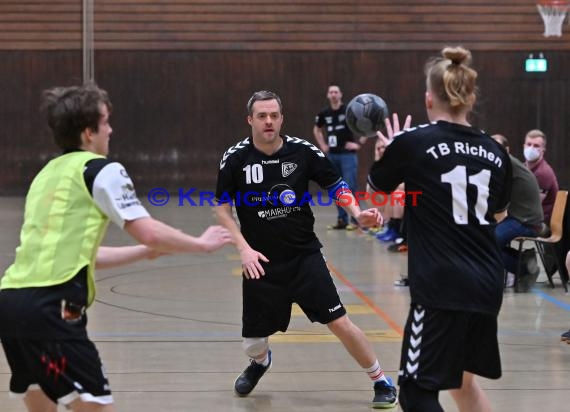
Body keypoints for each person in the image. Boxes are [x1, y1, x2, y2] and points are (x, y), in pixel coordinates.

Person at [0, 83, 233, 412]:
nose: (111, 129)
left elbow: (82, 257)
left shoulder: (45, 175)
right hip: (53, 306)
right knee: (96, 406)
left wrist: (144, 254)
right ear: (88, 132)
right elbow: (148, 231)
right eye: (106, 121)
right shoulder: (101, 170)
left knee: (42, 404)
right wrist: (200, 244)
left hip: (11, 304)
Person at [214, 90, 398, 409]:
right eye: (261, 116)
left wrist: (357, 213)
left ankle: (381, 380)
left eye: (274, 115)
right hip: (260, 263)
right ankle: (260, 363)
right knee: (252, 344)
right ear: (250, 120)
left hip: (304, 257)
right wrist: (243, 248)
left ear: (282, 118)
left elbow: (336, 185)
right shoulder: (236, 159)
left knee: (339, 321)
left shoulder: (303, 152)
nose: (268, 121)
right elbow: (221, 208)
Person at [368, 47, 512, 411]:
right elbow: (498, 213)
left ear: (429, 99)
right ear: (471, 96)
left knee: (416, 391)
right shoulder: (495, 152)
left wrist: (387, 157)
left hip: (441, 285)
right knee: (462, 383)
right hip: (487, 282)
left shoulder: (412, 142)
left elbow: (381, 203)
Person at [492, 134, 543, 291]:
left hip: (526, 221)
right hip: (522, 217)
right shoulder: (509, 163)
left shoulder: (505, 164)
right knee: (486, 238)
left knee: (487, 243)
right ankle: (524, 260)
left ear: (506, 150)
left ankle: (524, 269)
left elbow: (494, 196)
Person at [313, 85, 361, 230]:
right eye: (331, 92)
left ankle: (356, 219)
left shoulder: (349, 110)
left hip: (347, 155)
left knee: (350, 186)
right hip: (332, 155)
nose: (333, 94)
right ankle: (342, 219)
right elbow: (317, 129)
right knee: (335, 187)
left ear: (340, 94)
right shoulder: (324, 113)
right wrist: (323, 145)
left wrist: (358, 144)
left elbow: (365, 123)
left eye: (336, 92)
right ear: (328, 95)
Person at [523, 129, 559, 223]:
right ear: (524, 146)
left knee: (497, 235)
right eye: (529, 144)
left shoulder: (543, 173)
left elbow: (533, 207)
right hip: (524, 218)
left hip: (539, 223)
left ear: (543, 150)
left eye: (536, 146)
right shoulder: (523, 168)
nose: (531, 148)